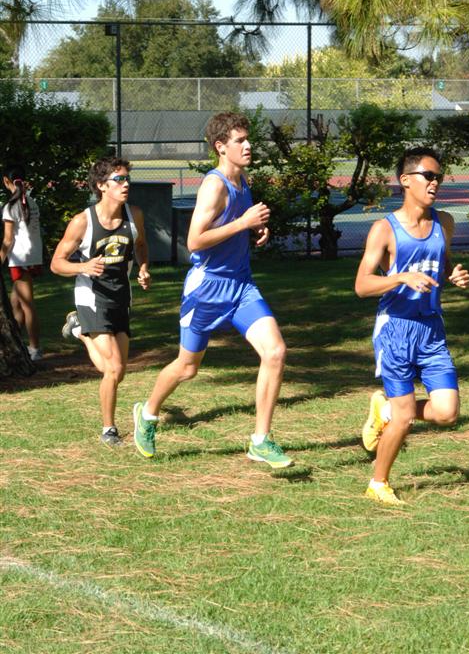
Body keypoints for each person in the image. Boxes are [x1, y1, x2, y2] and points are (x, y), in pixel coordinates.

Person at [133, 112, 292, 468]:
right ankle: (148, 413)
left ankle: (260, 441)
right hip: (207, 289)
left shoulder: (242, 179)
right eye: (240, 141)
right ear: (221, 147)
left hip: (241, 286)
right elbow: (194, 241)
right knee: (187, 367)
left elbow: (235, 222)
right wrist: (243, 222)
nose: (248, 146)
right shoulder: (214, 185)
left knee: (275, 352)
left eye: (248, 139)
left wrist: (256, 229)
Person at [355, 146, 469, 505]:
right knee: (405, 418)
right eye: (428, 176)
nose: (435, 183)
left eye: (439, 177)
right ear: (406, 180)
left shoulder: (444, 222)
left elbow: (442, 260)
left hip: (431, 329)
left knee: (447, 412)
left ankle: (386, 410)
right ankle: (378, 484)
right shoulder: (384, 229)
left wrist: (453, 274)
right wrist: (400, 277)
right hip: (395, 330)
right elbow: (362, 285)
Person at [50, 156, 151, 445]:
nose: (125, 184)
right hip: (91, 297)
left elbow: (141, 245)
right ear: (101, 186)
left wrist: (144, 269)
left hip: (121, 295)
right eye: (119, 179)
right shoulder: (82, 222)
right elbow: (56, 263)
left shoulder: (134, 215)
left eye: (127, 178)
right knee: (114, 368)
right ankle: (109, 429)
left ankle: (80, 332)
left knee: (118, 371)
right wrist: (83, 266)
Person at [1, 164, 44, 361]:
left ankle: (35, 349)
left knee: (27, 305)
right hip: (33, 256)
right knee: (16, 304)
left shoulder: (10, 206)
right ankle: (16, 345)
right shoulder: (31, 201)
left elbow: (8, 240)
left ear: (6, 181)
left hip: (20, 259)